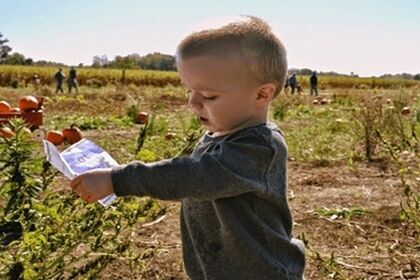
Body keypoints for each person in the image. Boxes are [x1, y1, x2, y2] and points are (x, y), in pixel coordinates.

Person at [70, 16, 305, 280]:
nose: (193, 102)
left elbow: (195, 176)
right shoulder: (217, 136)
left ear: (261, 95)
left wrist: (119, 178)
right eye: (189, 91)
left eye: (208, 96)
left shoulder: (259, 147)